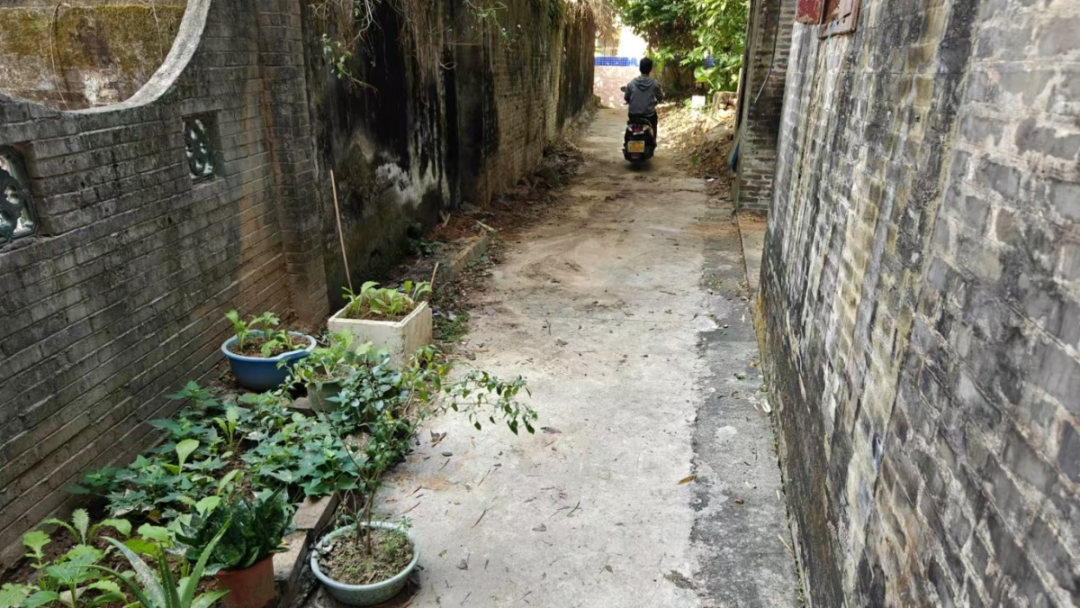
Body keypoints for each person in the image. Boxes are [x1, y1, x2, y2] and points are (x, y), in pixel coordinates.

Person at [624, 57, 665, 137]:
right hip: (649, 116)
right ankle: (653, 139)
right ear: (650, 69)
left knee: (629, 130)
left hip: (633, 115)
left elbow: (626, 97)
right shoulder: (654, 83)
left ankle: (627, 141)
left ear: (640, 68)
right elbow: (660, 97)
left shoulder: (632, 83)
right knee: (654, 123)